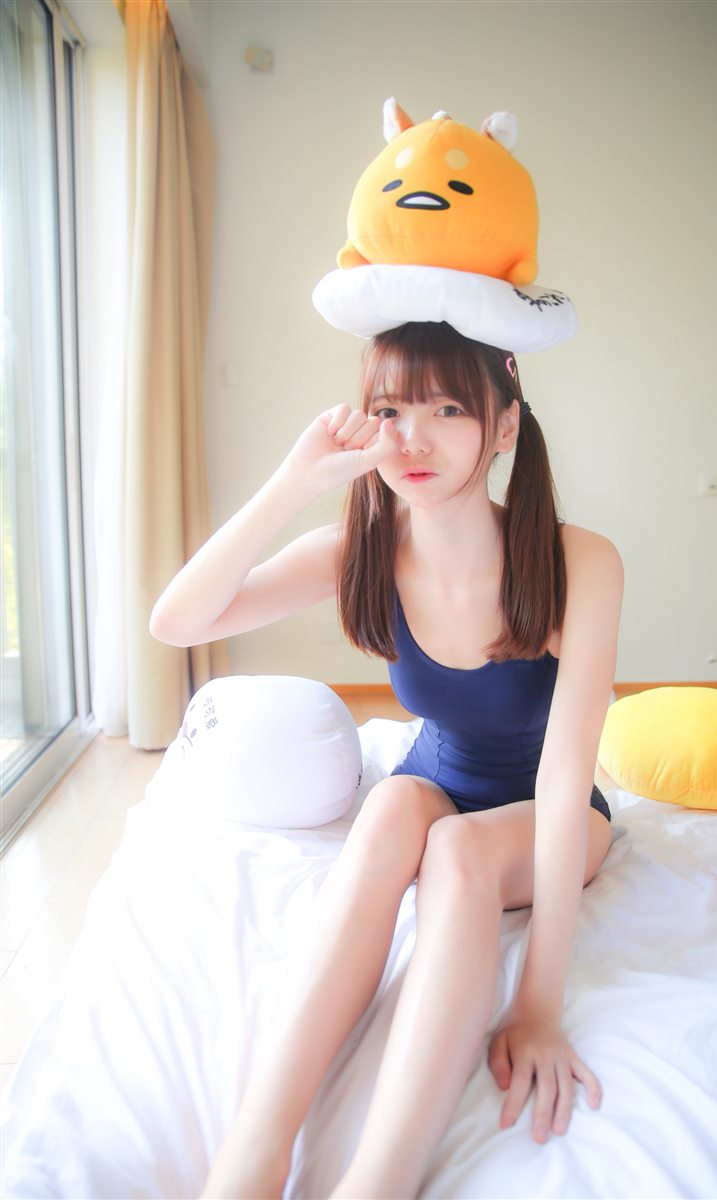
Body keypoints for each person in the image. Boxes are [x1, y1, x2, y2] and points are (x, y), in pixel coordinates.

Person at [150, 320, 624, 1200]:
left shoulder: (576, 562)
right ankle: (253, 1158)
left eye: (448, 410)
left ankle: (377, 1183)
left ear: (505, 425)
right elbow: (176, 621)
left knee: (458, 849)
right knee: (394, 810)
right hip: (431, 783)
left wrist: (539, 1001)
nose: (412, 439)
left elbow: (564, 778)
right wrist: (297, 480)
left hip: (548, 814)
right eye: (391, 410)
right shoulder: (360, 551)